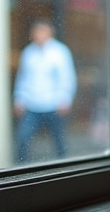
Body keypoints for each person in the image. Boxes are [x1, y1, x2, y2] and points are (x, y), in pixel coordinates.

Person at [13, 20, 77, 162]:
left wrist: (65, 99)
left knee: (59, 141)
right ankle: (20, 171)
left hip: (53, 104)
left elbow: (67, 77)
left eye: (42, 31)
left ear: (50, 33)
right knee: (23, 138)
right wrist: (19, 99)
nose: (39, 35)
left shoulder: (60, 52)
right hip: (32, 104)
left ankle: (63, 169)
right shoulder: (28, 53)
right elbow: (23, 78)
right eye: (37, 32)